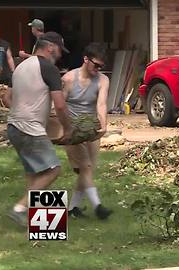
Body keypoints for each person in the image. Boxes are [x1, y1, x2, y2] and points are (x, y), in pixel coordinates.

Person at [4, 32, 72, 226]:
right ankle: (19, 209)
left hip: (14, 127)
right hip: (30, 129)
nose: (59, 54)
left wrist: (22, 110)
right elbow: (60, 105)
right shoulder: (48, 68)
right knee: (53, 170)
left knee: (34, 173)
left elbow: (6, 98)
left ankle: (37, 220)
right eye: (59, 50)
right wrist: (67, 129)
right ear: (50, 47)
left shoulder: (19, 67)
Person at [62, 42, 112, 220]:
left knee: (87, 171)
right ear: (85, 59)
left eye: (101, 67)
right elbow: (59, 106)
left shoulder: (103, 80)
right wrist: (64, 129)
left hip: (91, 130)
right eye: (96, 65)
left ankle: (72, 209)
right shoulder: (68, 79)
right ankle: (98, 206)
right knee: (85, 167)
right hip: (72, 130)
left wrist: (103, 125)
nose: (98, 69)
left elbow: (101, 103)